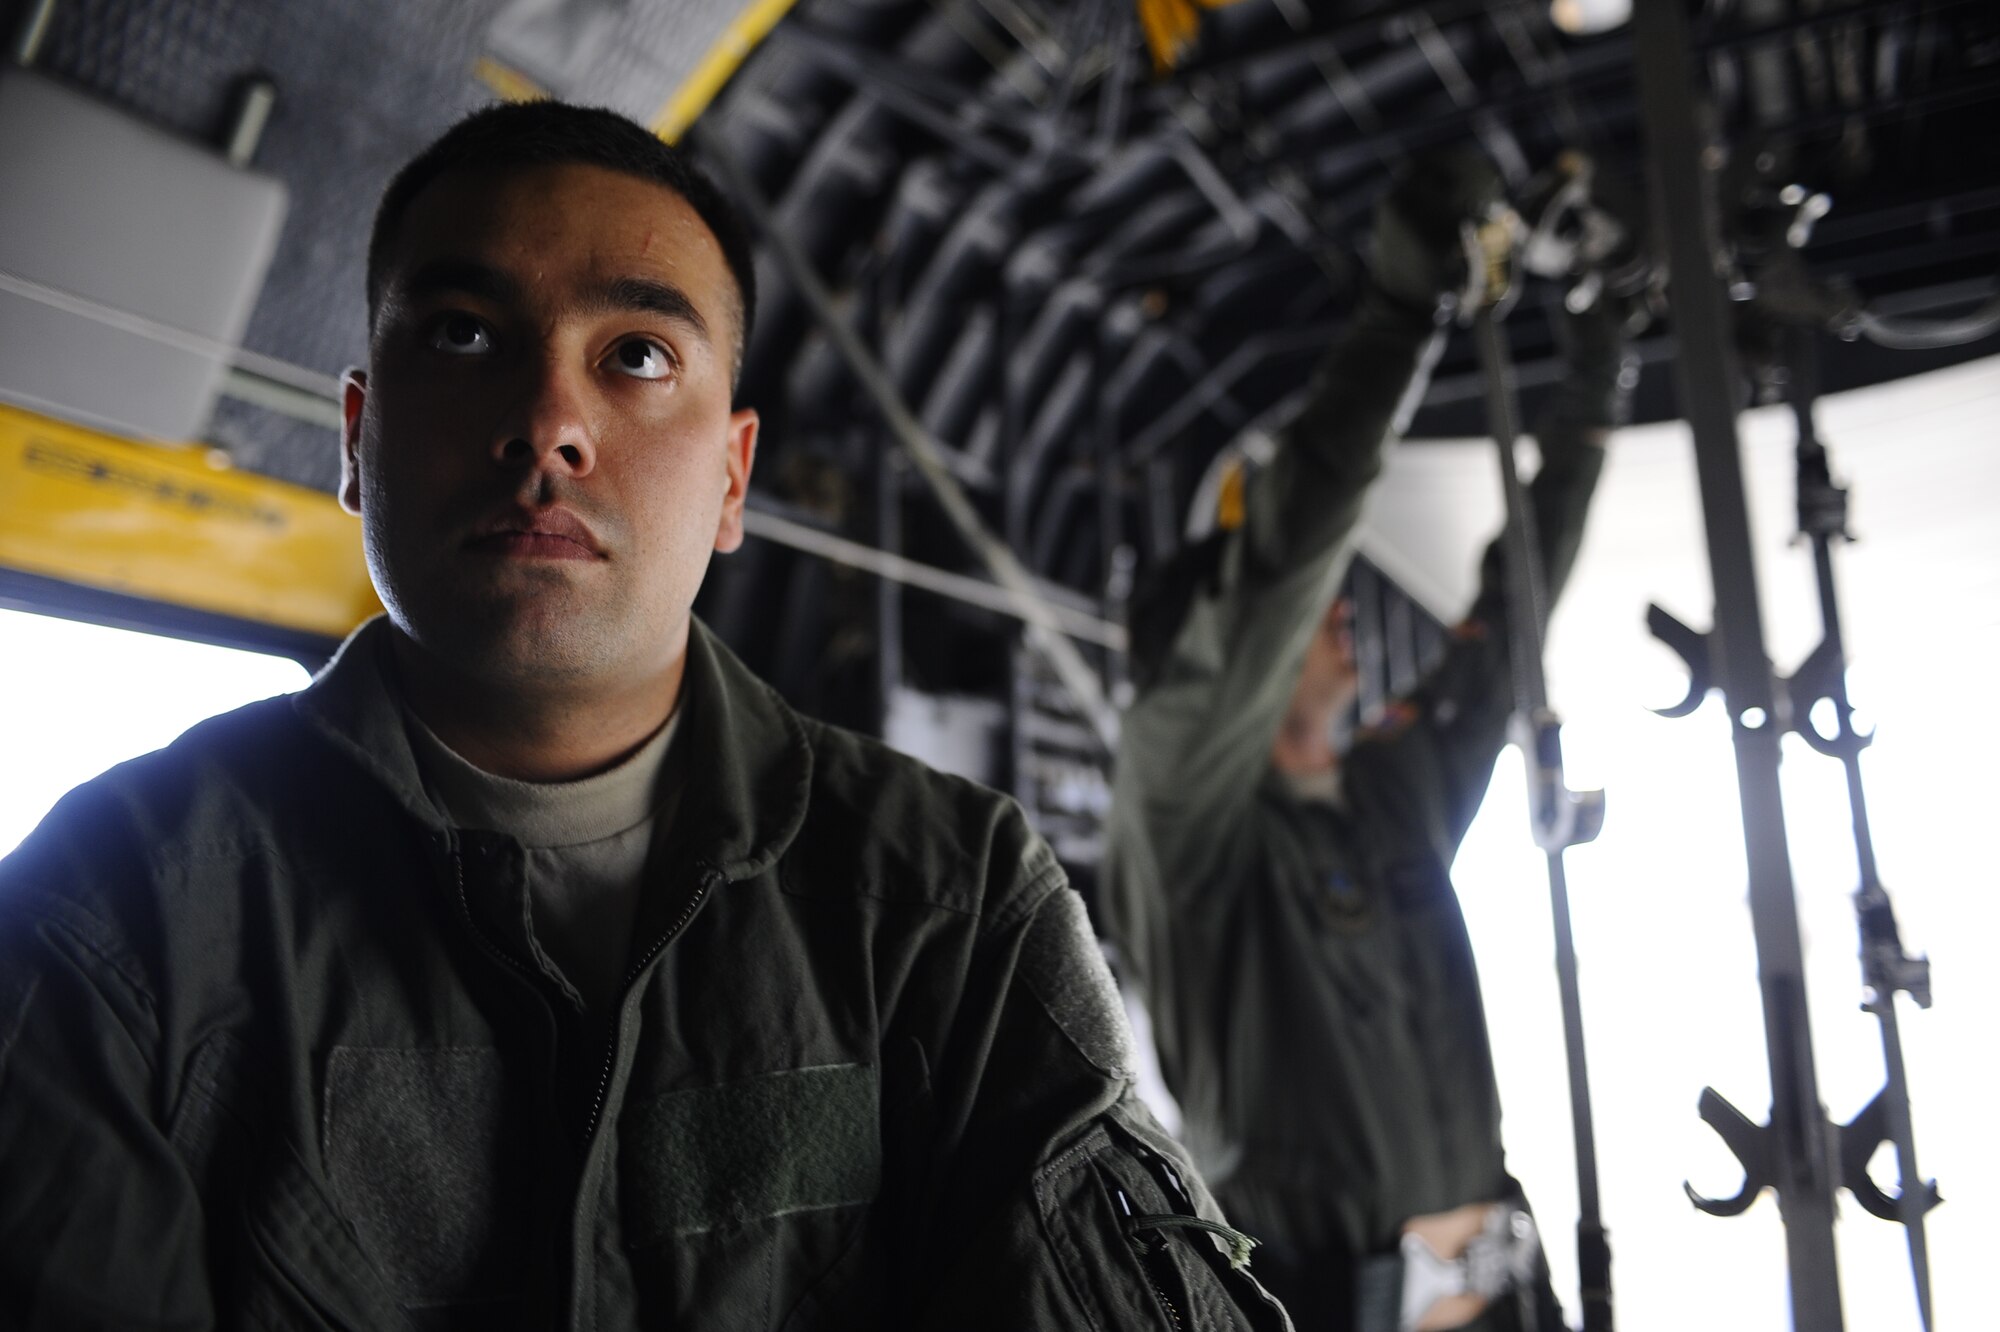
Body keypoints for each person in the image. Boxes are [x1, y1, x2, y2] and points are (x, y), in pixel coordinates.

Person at [0, 102, 1289, 1330]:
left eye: (636, 356)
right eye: (460, 335)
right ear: (357, 438)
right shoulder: (115, 917)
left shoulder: (949, 907)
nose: (548, 423)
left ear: (731, 479)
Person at [1102, 152, 1635, 1332]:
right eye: (1305, 609)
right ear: (1216, 654)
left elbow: (1508, 626)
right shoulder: (1186, 820)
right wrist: (1402, 313)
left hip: (1511, 1298)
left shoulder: (1388, 801)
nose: (1335, 608)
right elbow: (1284, 560)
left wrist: (1596, 381)